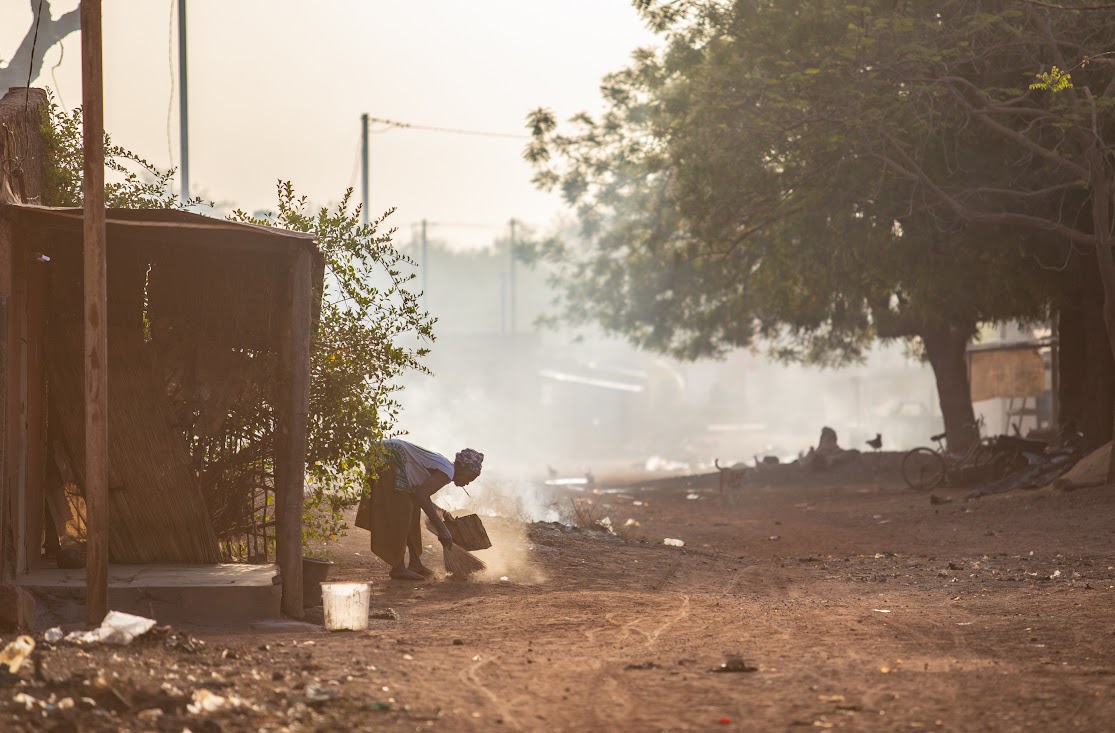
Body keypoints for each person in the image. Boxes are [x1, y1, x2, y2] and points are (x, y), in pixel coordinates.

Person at [366, 439, 484, 580]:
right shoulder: (447, 471)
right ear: (462, 467)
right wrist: (442, 529)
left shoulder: (445, 468)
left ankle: (415, 564)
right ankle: (398, 568)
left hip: (384, 454)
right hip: (388, 456)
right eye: (471, 476)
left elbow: (418, 494)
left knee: (413, 510)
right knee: (403, 512)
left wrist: (443, 512)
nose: (469, 482)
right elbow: (421, 496)